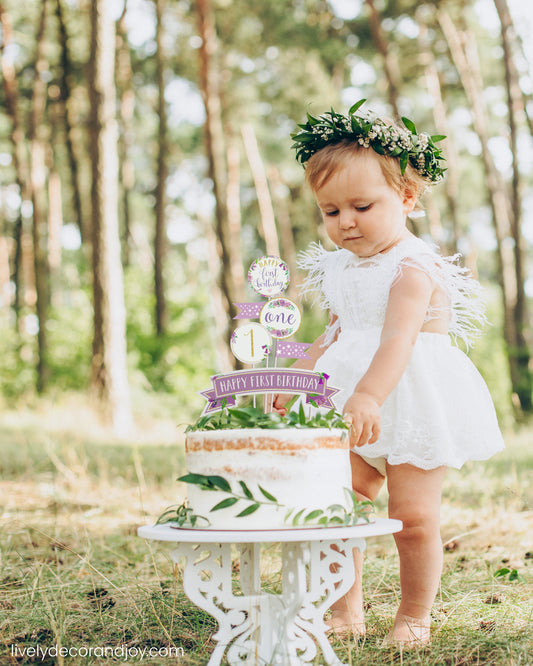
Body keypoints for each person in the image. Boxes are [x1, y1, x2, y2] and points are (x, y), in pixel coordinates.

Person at [273, 101, 505, 647]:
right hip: (350, 398)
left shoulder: (412, 266)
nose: (345, 222)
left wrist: (369, 395)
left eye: (360, 205)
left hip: (409, 395)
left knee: (413, 515)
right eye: (330, 212)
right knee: (338, 501)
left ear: (406, 198)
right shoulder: (340, 267)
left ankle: (413, 617)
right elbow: (333, 333)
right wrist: (298, 378)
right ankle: (344, 611)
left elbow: (399, 339)